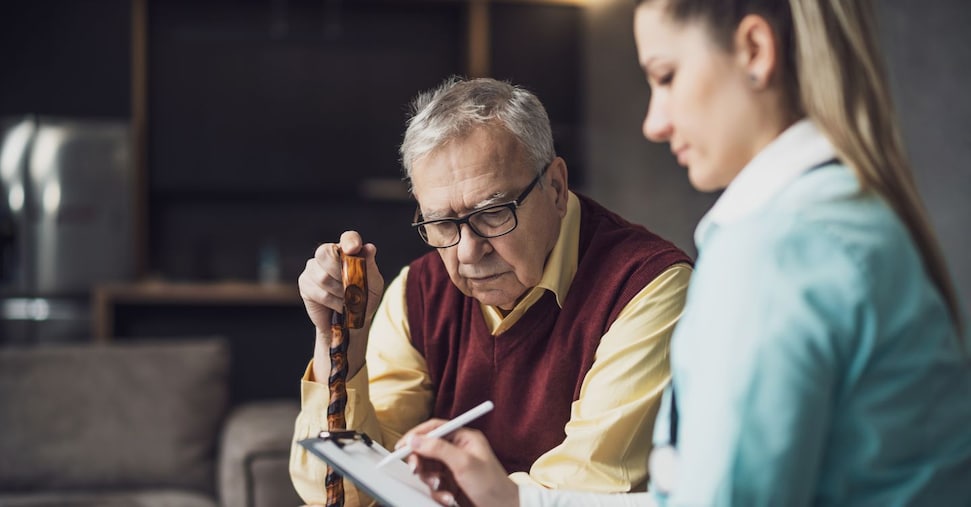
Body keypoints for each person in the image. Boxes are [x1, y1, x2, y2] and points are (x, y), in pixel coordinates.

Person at [401, 0, 971, 506]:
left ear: (755, 50)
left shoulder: (773, 251)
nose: (654, 122)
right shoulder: (840, 215)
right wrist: (517, 501)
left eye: (666, 76)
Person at [289, 76, 693, 505]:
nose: (467, 252)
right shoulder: (418, 293)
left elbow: (579, 491)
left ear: (556, 189)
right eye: (441, 223)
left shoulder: (645, 287)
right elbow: (342, 492)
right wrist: (341, 340)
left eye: (493, 213)